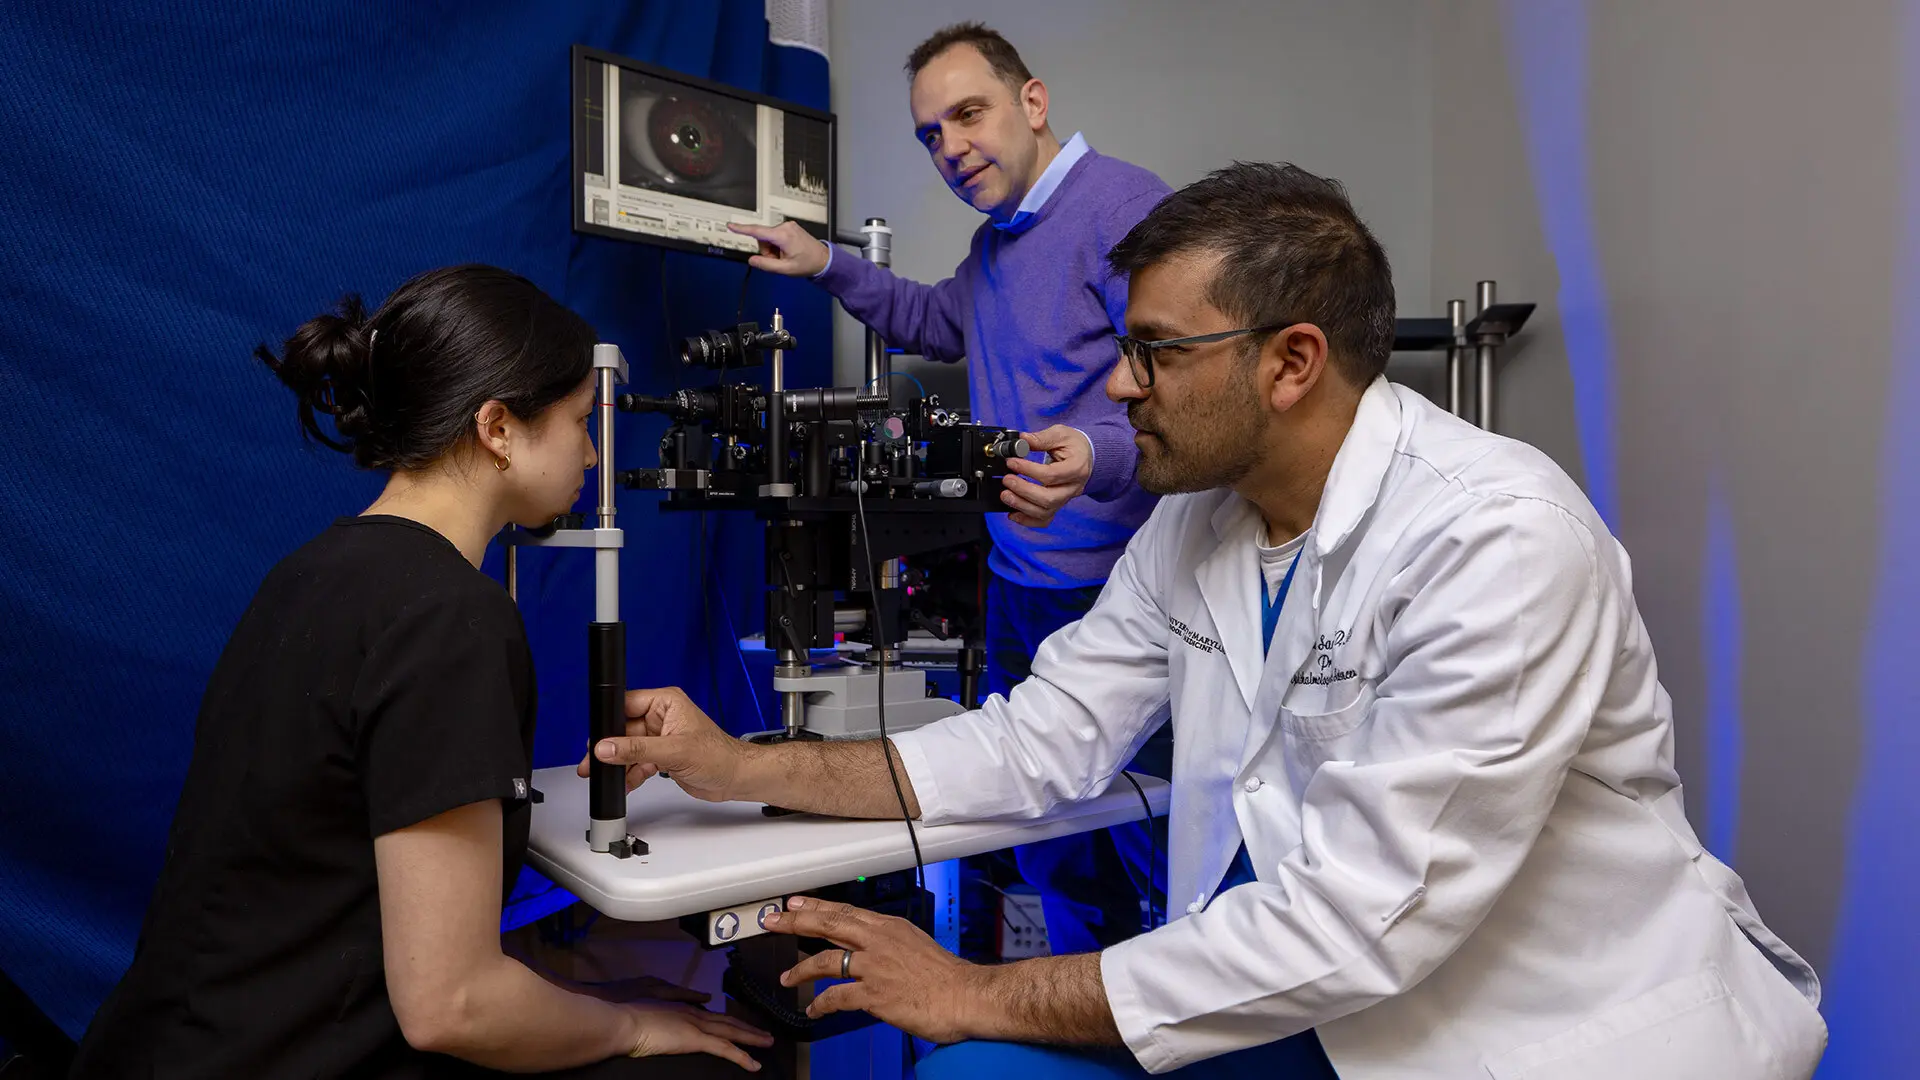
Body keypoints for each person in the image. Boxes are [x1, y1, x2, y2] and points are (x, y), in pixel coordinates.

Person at [589, 164, 1830, 1079]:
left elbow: (1361, 922)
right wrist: (740, 766)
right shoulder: (1198, 524)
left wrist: (976, 988)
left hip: (1524, 1027)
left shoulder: (1495, 540)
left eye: (1154, 352)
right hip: (1304, 996)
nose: (1117, 383)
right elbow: (1038, 741)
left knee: (975, 1043)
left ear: (1290, 363)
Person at [71, 266, 772, 1079]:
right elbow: (453, 1006)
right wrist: (628, 1027)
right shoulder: (449, 617)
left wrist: (584, 1004)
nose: (590, 451)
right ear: (498, 427)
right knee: (709, 1065)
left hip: (170, 1047)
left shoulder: (312, 571)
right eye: (582, 420)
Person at [729, 21, 1172, 956]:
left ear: (1033, 102)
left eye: (969, 115)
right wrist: (825, 262)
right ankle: (1075, 1005)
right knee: (1049, 843)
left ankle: (1164, 1012)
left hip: (1124, 593)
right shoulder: (997, 245)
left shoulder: (1125, 208)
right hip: (1020, 587)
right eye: (931, 135)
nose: (952, 148)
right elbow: (933, 320)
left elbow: (1182, 376)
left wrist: (1097, 456)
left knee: (1154, 839)